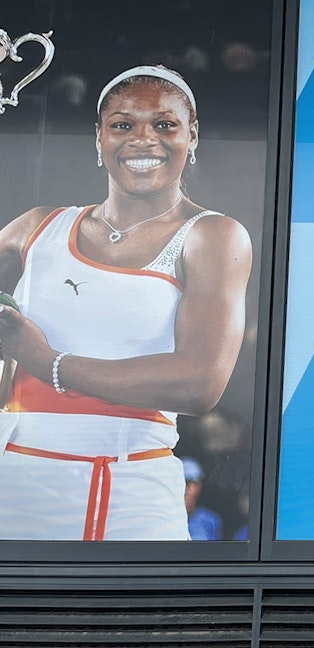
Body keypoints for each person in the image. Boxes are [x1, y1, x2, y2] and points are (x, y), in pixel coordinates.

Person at [0, 64, 253, 540]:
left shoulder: (212, 235)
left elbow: (199, 384)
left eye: (164, 124)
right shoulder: (37, 227)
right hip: (14, 481)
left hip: (129, 492)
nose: (143, 139)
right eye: (122, 124)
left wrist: (44, 360)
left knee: (126, 617)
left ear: (191, 135)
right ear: (99, 137)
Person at [182, 457, 223, 541]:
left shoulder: (210, 520)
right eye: (184, 482)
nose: (188, 489)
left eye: (191, 483)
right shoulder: (165, 518)